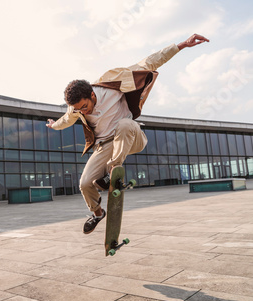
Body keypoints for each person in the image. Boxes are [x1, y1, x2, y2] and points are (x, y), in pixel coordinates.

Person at [46, 33, 209, 234]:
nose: (83, 112)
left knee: (123, 124)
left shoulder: (112, 83)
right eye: (79, 110)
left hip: (132, 136)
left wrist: (181, 45)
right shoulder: (76, 109)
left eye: (85, 107)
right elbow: (66, 120)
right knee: (85, 183)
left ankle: (113, 171)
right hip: (105, 146)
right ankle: (97, 213)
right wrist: (54, 126)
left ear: (92, 94)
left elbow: (149, 62)